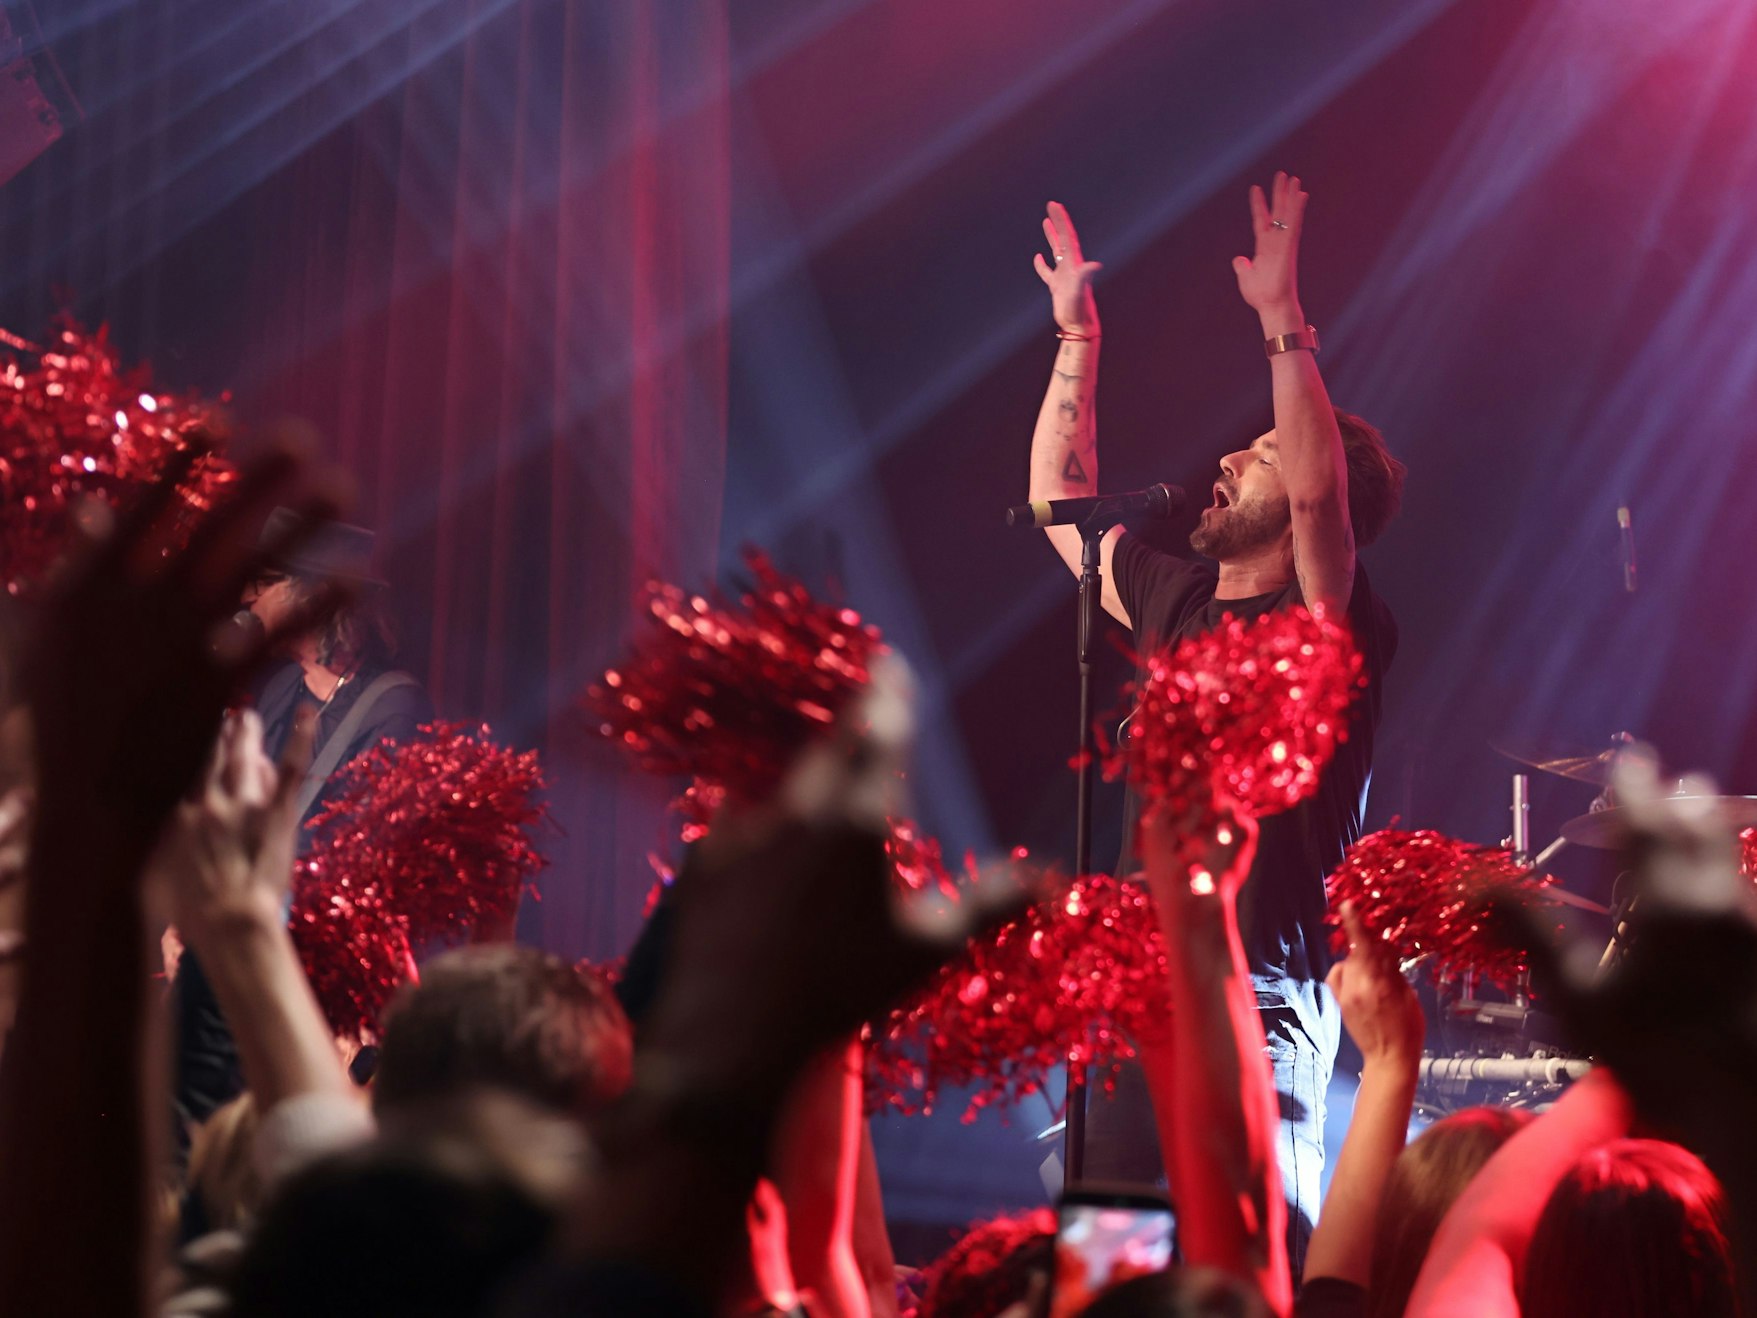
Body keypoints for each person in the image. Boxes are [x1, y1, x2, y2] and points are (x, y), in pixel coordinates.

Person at [1025, 175, 1405, 1269]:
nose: (1230, 458)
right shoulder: (1176, 600)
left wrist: (1284, 324)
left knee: (1233, 1272)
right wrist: (1076, 339)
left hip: (1258, 999)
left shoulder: (1325, 619)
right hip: (1138, 990)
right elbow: (1060, 503)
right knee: (1106, 1270)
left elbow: (1322, 504)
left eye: (1263, 452)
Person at [170, 508, 431, 1142]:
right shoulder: (281, 688)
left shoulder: (392, 707)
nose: (246, 596)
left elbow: (365, 866)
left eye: (264, 581)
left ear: (312, 594)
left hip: (314, 980)